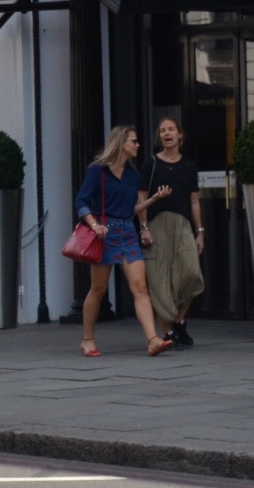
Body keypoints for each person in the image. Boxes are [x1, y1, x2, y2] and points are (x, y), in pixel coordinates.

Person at [75, 125, 173, 357]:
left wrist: (154, 199)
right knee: (98, 289)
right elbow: (81, 200)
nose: (138, 145)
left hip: (128, 230)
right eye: (134, 141)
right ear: (121, 143)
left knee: (140, 287)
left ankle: (152, 339)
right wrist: (94, 224)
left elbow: (133, 208)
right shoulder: (97, 171)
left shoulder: (132, 174)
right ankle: (87, 339)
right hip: (104, 232)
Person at [138, 116, 205, 349]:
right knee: (159, 280)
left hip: (183, 226)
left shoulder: (189, 165)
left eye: (171, 130)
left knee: (192, 273)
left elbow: (194, 201)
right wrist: (144, 227)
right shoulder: (151, 164)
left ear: (180, 135)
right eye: (163, 130)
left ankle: (178, 321)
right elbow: (142, 198)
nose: (166, 134)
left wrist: (200, 232)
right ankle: (167, 334)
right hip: (156, 225)